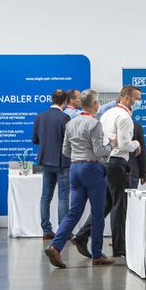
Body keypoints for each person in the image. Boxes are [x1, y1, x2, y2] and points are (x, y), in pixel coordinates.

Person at [44, 89, 116, 268]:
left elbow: (65, 151)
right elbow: (100, 151)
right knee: (97, 213)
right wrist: (111, 146)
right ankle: (97, 254)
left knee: (73, 212)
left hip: (74, 168)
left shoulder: (71, 123)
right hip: (92, 168)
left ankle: (55, 246)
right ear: (95, 105)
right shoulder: (94, 124)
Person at [72, 85, 141, 259]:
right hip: (117, 163)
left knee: (106, 204)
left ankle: (81, 236)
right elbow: (124, 145)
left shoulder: (107, 114)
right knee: (119, 205)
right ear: (125, 97)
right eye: (137, 98)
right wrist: (136, 144)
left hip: (105, 163)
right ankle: (119, 248)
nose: (139, 102)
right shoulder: (125, 117)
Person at [32, 89, 71, 240]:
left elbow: (35, 140)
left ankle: (46, 230)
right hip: (62, 162)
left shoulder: (39, 117)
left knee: (46, 196)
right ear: (65, 102)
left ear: (52, 99)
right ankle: (63, 230)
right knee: (63, 197)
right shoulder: (64, 118)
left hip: (45, 161)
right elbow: (67, 141)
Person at [128, 120, 146, 188]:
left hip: (113, 170)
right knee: (130, 197)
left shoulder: (109, 123)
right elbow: (142, 152)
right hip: (132, 170)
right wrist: (144, 174)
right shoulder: (136, 126)